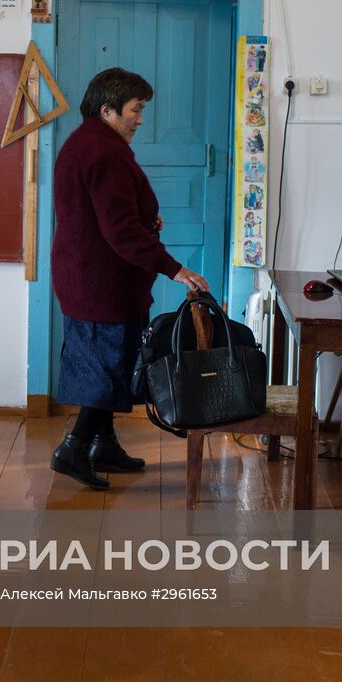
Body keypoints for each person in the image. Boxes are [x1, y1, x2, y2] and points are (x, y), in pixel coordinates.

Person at [49, 68, 208, 489]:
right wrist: (175, 269)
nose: (140, 119)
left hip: (92, 276)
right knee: (105, 371)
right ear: (108, 110)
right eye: (135, 110)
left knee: (113, 365)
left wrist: (145, 221)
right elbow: (119, 229)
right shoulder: (104, 152)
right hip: (100, 283)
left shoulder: (87, 142)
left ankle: (104, 445)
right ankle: (73, 449)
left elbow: (116, 217)